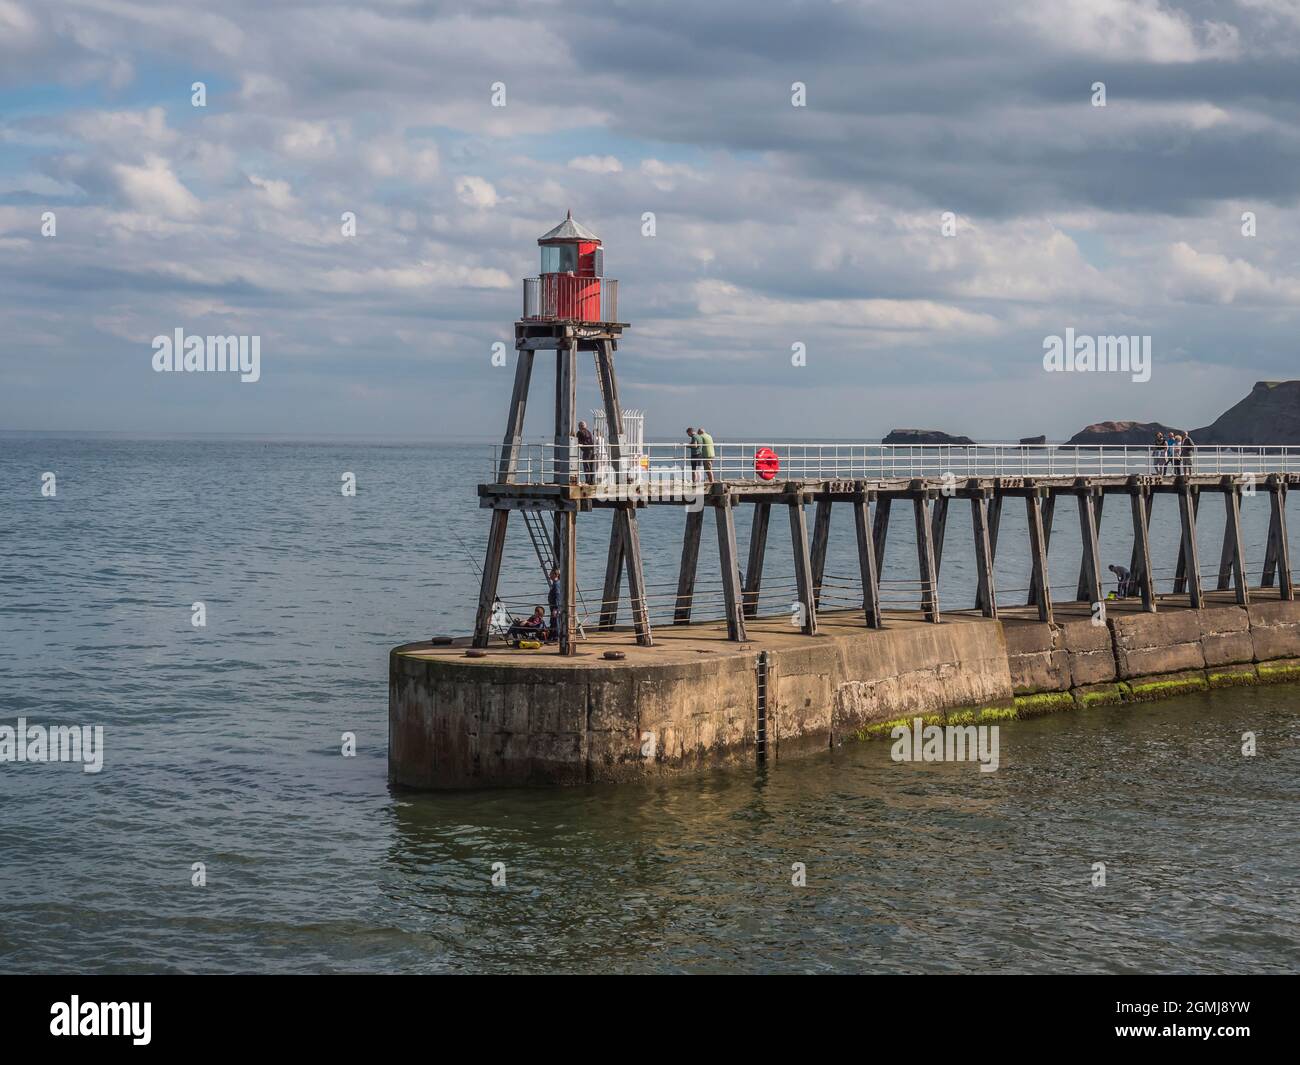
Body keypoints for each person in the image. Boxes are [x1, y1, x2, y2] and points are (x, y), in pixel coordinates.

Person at [547, 567, 561, 641]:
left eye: (551, 574)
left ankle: (556, 637)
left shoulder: (556, 584)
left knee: (556, 622)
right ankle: (552, 636)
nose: (549, 575)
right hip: (552, 607)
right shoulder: (555, 584)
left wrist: (556, 608)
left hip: (555, 607)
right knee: (553, 621)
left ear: (555, 575)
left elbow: (558, 596)